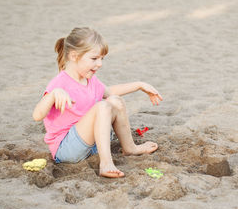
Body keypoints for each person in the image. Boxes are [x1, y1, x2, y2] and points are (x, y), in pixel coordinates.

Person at [33, 27, 163, 178]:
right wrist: (53, 95)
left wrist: (139, 85)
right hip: (67, 149)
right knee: (102, 106)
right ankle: (106, 163)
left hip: (91, 145)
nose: (100, 64)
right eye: (94, 59)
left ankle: (130, 148)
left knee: (115, 101)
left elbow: (110, 92)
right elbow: (37, 115)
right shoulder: (59, 84)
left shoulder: (89, 79)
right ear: (74, 56)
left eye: (102, 59)